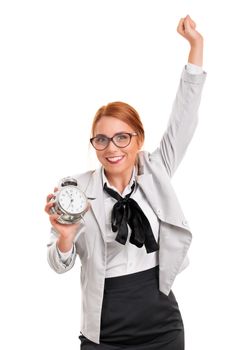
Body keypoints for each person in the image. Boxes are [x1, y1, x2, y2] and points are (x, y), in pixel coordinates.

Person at [45, 14, 207, 350]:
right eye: (101, 140)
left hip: (162, 325)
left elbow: (185, 115)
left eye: (122, 137)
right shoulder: (75, 188)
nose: (112, 148)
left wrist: (196, 46)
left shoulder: (156, 169)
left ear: (138, 139)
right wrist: (64, 238)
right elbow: (59, 265)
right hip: (105, 332)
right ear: (93, 145)